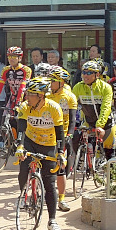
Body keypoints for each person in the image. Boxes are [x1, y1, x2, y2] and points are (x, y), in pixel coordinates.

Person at [14, 78, 64, 230]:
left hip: (48, 145)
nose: (27, 96)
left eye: (30, 94)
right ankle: (25, 193)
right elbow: (21, 128)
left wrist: (60, 153)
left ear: (41, 96)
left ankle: (52, 220)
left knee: (49, 183)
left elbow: (59, 133)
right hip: (29, 142)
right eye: (27, 93)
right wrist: (20, 146)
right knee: (23, 170)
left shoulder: (54, 108)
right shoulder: (24, 107)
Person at [47, 66, 77, 212]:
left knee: (60, 168)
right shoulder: (45, 95)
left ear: (61, 82)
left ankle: (62, 199)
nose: (50, 82)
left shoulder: (69, 97)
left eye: (53, 80)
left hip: (62, 135)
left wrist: (69, 134)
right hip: (46, 134)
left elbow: (72, 120)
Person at [71, 60, 115, 159]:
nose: (85, 75)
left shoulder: (105, 87)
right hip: (89, 121)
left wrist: (100, 125)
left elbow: (106, 107)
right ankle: (81, 162)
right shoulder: (78, 87)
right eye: (84, 72)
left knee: (109, 152)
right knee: (75, 139)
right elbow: (71, 106)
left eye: (89, 73)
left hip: (106, 122)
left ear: (97, 74)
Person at [0, 46, 32, 128]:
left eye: (14, 56)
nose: (11, 59)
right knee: (4, 119)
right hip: (12, 98)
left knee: (23, 122)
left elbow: (22, 88)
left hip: (25, 98)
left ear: (20, 58)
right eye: (9, 56)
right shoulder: (6, 70)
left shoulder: (26, 70)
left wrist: (18, 103)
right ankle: (4, 139)